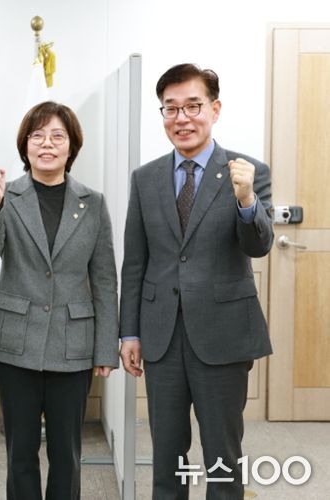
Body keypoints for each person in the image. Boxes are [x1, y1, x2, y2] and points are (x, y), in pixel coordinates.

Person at [119, 63, 273, 499]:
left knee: (223, 452)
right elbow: (136, 262)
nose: (182, 118)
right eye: (171, 108)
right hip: (162, 334)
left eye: (193, 106)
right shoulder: (145, 178)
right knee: (167, 454)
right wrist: (129, 332)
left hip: (223, 332)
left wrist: (246, 199)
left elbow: (259, 245)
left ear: (215, 109)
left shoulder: (249, 172)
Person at [0, 101, 119, 500]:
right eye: (37, 136)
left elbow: (105, 279)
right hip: (14, 340)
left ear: (72, 147)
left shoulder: (92, 202)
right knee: (19, 450)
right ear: (25, 146)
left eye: (57, 136)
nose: (47, 144)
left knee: (66, 452)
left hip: (72, 343)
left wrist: (106, 347)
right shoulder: (6, 195)